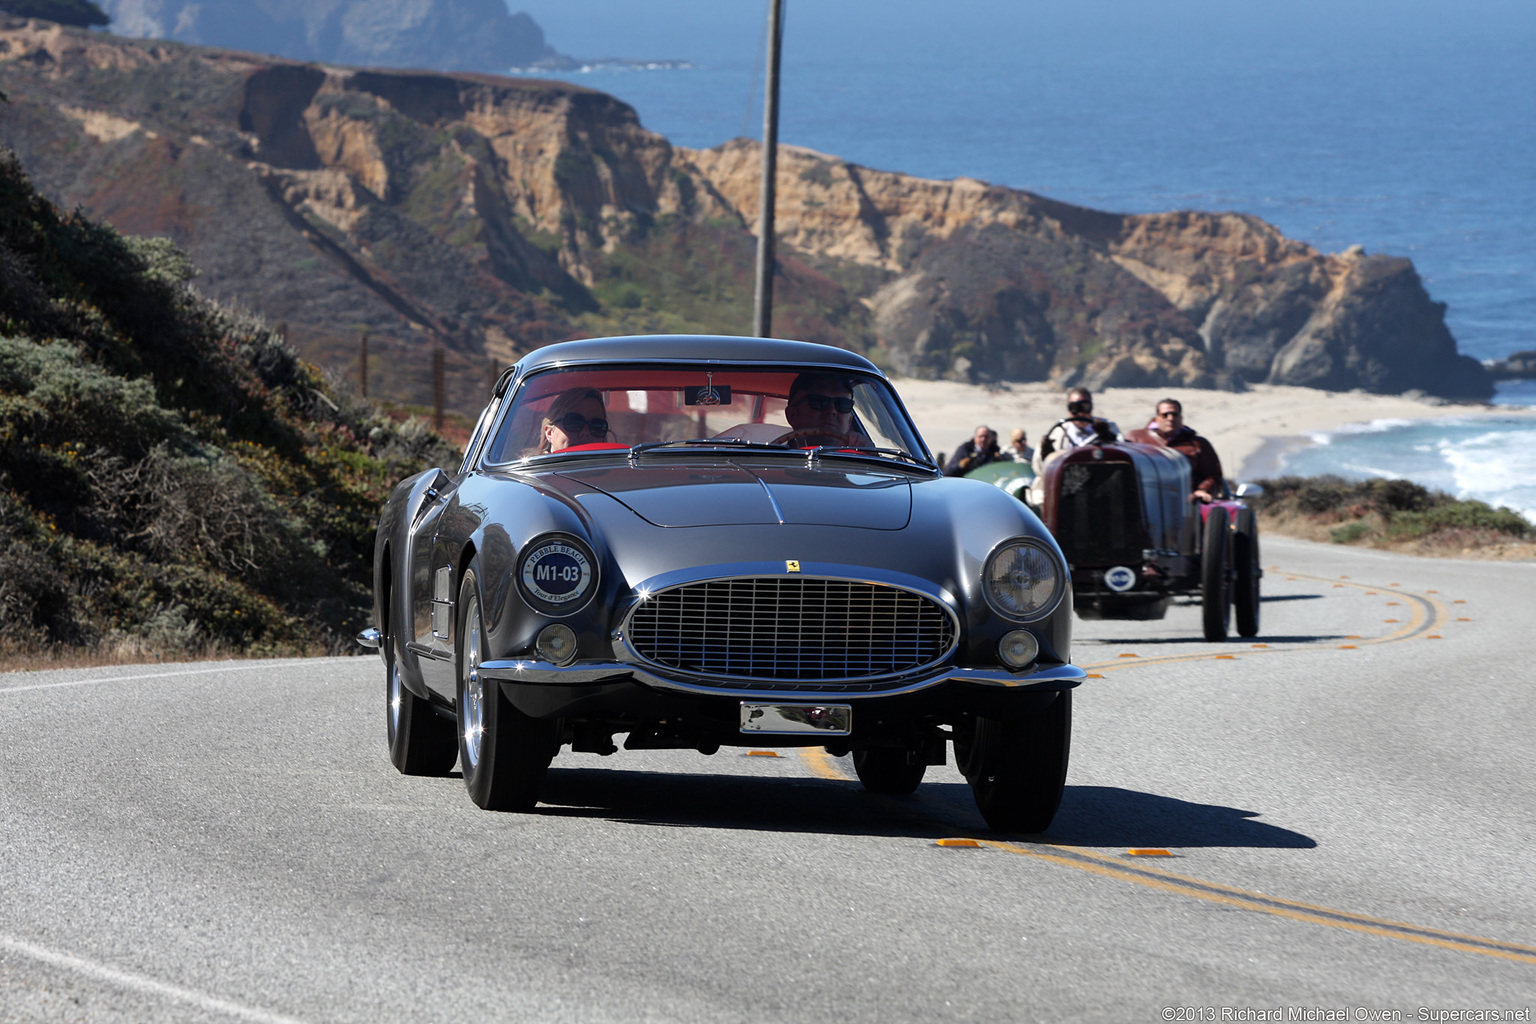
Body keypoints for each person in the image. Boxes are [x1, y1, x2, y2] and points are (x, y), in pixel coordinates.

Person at [1150, 398, 1224, 502]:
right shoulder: (1137, 439)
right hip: (1146, 504)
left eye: (1174, 414)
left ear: (1181, 418)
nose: (1170, 418)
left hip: (1185, 505)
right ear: (1157, 418)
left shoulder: (1198, 444)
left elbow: (1214, 475)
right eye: (1165, 415)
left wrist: (1203, 490)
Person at [779, 372, 868, 445]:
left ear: (849, 421)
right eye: (818, 401)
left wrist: (869, 455)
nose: (832, 410)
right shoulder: (771, 462)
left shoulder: (864, 461)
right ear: (792, 415)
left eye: (843, 404)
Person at [537, 386, 609, 454]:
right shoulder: (531, 466)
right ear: (549, 432)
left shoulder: (617, 465)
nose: (586, 432)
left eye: (597, 425)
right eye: (574, 423)